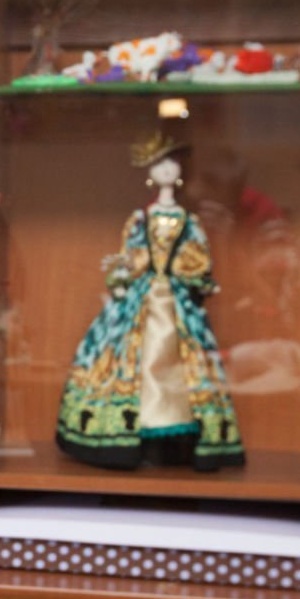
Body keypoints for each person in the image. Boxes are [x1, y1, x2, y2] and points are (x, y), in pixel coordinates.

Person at [53, 132, 245, 472]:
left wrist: (190, 277)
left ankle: (177, 437)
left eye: (172, 163)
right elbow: (131, 255)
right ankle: (131, 434)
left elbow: (198, 258)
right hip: (142, 300)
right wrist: (123, 280)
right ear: (150, 172)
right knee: (133, 358)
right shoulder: (140, 220)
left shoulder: (189, 221)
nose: (167, 169)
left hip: (175, 300)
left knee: (179, 361)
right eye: (159, 164)